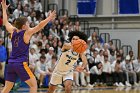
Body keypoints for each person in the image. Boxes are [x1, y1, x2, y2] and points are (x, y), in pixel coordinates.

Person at [1, 0, 56, 93]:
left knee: (7, 88)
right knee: (34, 84)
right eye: (27, 23)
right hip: (20, 64)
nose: (29, 24)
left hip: (11, 64)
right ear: (23, 26)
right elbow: (39, 26)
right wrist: (49, 18)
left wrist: (3, 8)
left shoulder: (12, 31)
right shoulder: (26, 33)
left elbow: (5, 22)